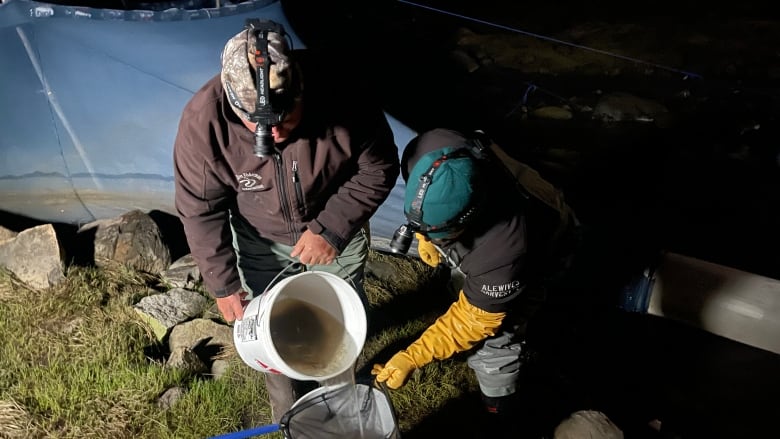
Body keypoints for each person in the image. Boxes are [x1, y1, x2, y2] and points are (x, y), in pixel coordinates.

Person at [173, 20, 399, 423]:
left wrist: (331, 228)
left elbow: (378, 168)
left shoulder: (343, 91)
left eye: (284, 118)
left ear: (301, 91)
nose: (273, 134)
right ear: (231, 102)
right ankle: (289, 417)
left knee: (342, 319)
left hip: (334, 230)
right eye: (256, 125)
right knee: (268, 326)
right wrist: (222, 283)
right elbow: (199, 209)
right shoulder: (203, 125)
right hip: (262, 236)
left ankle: (339, 399)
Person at [372, 128, 577, 425]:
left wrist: (413, 356)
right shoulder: (428, 148)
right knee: (465, 283)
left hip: (546, 239)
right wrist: (425, 236)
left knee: (498, 339)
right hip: (486, 222)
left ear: (469, 219)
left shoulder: (505, 249)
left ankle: (501, 410)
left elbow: (475, 322)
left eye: (443, 235)